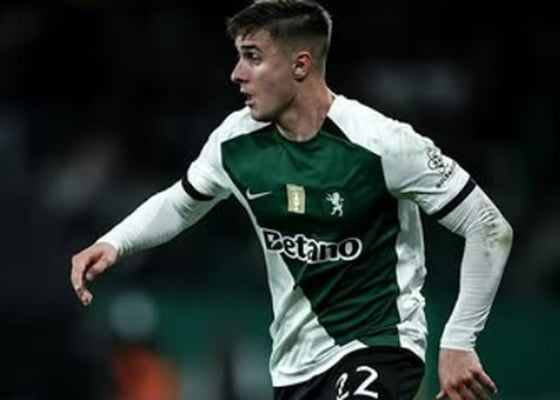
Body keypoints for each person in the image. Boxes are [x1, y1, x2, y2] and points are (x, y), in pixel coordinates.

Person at [70, 1, 513, 399]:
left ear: (300, 64)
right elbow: (181, 203)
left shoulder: (383, 144)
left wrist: (459, 340)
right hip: (294, 367)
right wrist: (115, 242)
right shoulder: (234, 142)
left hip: (379, 344)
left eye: (253, 57)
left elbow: (488, 225)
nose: (236, 73)